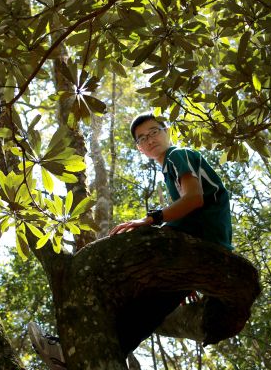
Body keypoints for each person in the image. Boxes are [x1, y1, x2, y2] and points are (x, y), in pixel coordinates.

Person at [29, 112, 234, 369]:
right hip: (205, 248)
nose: (149, 140)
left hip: (207, 245)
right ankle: (111, 352)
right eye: (142, 139)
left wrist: (150, 219)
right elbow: (190, 212)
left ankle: (71, 350)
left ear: (166, 131)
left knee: (135, 289)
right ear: (140, 148)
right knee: (152, 306)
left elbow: (194, 199)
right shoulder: (170, 167)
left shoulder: (176, 155)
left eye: (154, 132)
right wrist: (185, 270)